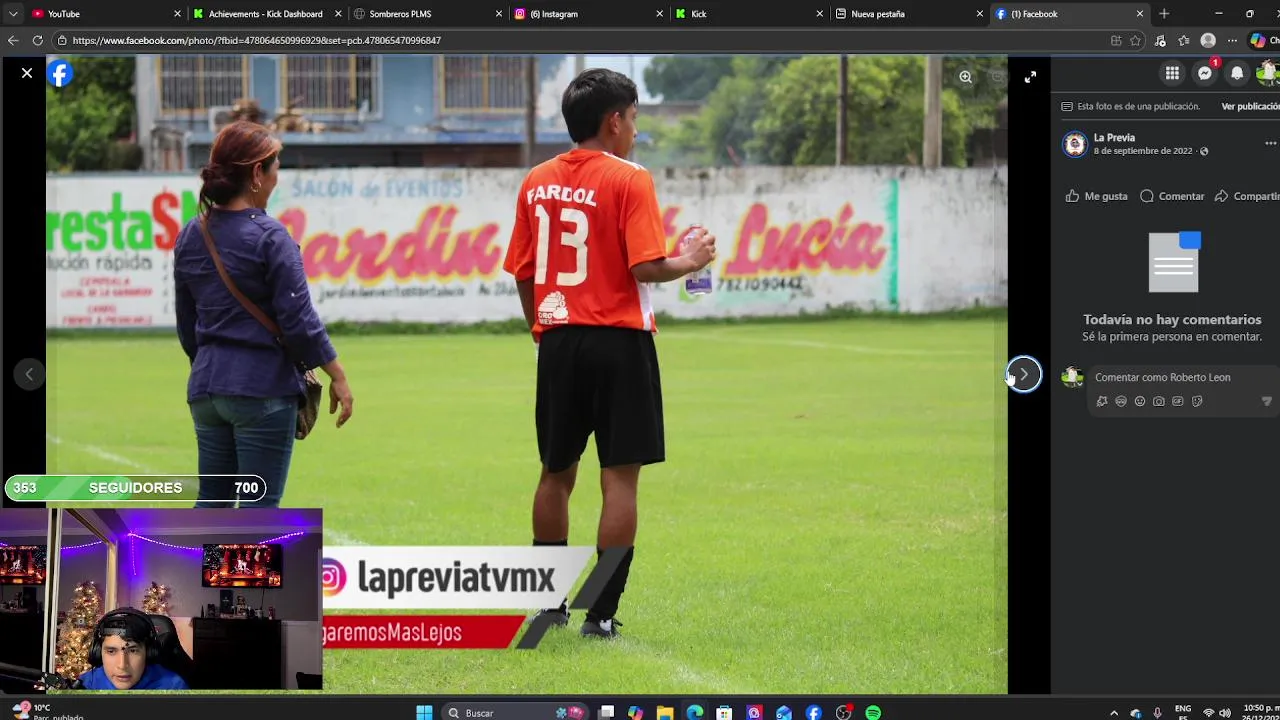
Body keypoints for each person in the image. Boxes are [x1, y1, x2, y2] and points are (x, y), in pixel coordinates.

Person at [502, 68, 717, 638]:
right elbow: (645, 266)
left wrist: (540, 330)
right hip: (620, 341)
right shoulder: (630, 178)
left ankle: (548, 606)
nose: (637, 132)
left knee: (555, 473)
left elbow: (523, 271)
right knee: (619, 480)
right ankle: (599, 615)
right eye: (635, 119)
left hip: (559, 340)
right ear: (614, 120)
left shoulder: (537, 180)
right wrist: (692, 260)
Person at [174, 121, 355, 508]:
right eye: (276, 167)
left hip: (206, 388)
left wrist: (211, 367)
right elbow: (299, 322)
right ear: (257, 173)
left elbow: (187, 323)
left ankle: (194, 556)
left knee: (212, 505)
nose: (277, 177)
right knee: (259, 513)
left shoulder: (191, 234)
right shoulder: (271, 237)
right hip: (261, 388)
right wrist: (337, 375)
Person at [79, 608, 188, 690]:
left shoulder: (173, 687)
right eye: (111, 651)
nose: (122, 665)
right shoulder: (86, 685)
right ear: (98, 652)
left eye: (133, 651)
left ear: (148, 652)